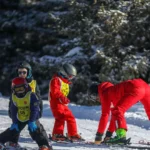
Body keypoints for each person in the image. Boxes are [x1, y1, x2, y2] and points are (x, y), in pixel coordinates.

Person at [88, 78, 150, 144]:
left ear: (96, 93)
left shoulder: (104, 93)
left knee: (117, 110)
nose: (97, 100)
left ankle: (121, 136)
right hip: (146, 86)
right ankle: (120, 136)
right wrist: (108, 135)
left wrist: (98, 137)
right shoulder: (113, 91)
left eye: (94, 97)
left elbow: (105, 115)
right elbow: (114, 117)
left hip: (136, 88)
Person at [0, 77, 53, 150]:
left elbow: (35, 109)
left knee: (36, 130)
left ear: (25, 87)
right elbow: (13, 110)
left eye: (21, 89)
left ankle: (45, 145)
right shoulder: (14, 97)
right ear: (13, 89)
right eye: (17, 89)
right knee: (13, 130)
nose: (19, 91)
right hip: (21, 117)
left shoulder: (31, 95)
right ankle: (8, 142)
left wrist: (32, 121)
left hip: (32, 117)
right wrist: (14, 122)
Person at [48, 63, 84, 142]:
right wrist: (62, 97)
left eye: (72, 77)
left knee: (70, 117)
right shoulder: (56, 80)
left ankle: (73, 134)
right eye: (70, 76)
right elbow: (55, 91)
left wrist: (64, 99)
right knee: (60, 117)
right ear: (64, 73)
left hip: (62, 104)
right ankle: (57, 134)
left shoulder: (65, 82)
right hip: (56, 103)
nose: (71, 79)